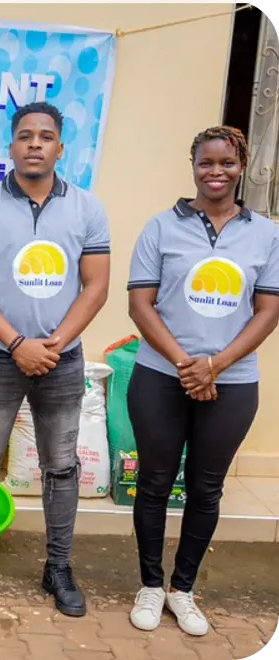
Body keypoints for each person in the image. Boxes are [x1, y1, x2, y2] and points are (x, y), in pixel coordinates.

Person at [0, 102, 111, 616]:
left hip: (61, 359)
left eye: (45, 136)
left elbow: (96, 286)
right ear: (11, 146)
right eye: (24, 136)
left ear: (60, 148)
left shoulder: (87, 208)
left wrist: (53, 344)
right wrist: (19, 344)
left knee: (61, 466)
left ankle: (58, 567)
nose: (34, 144)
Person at [126, 127, 279, 636]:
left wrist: (216, 365)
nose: (216, 172)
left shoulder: (266, 234)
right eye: (206, 163)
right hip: (160, 375)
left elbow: (268, 310)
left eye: (227, 163)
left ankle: (183, 589)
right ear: (192, 166)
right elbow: (140, 304)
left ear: (242, 167)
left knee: (206, 488)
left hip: (233, 382)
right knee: (154, 482)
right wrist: (187, 365)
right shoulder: (160, 227)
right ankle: (151, 585)